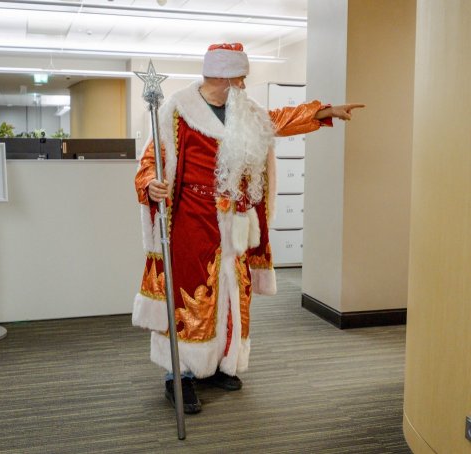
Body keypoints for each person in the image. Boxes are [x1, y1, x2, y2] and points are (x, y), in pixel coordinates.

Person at [132, 43, 364, 414]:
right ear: (222, 77)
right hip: (192, 222)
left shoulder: (246, 111)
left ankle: (221, 363)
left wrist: (323, 112)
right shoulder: (177, 110)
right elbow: (151, 161)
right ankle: (181, 375)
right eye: (239, 78)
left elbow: (280, 120)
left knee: (233, 293)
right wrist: (151, 184)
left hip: (237, 223)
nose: (243, 85)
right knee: (193, 295)